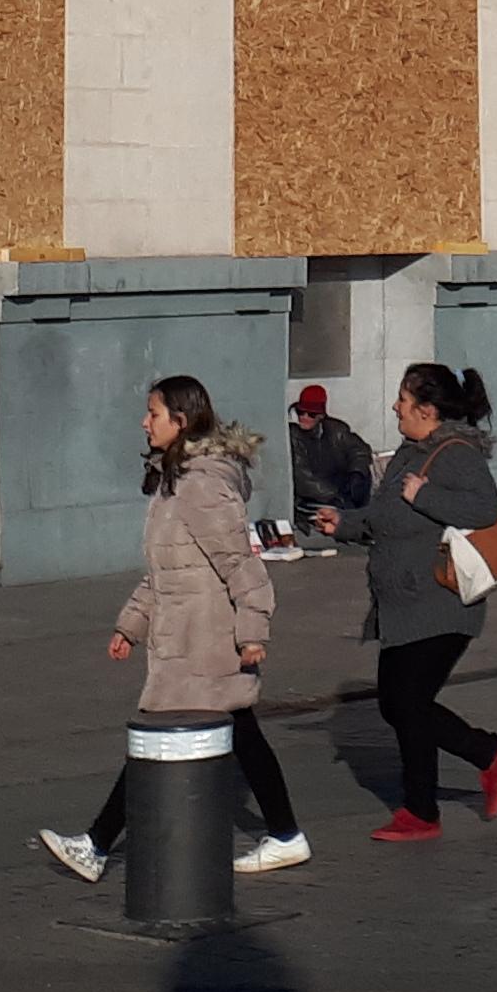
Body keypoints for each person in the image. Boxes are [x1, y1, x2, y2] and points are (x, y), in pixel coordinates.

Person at [42, 377, 309, 882]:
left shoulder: (200, 485)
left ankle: (96, 845)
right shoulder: (177, 480)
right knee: (242, 737)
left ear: (181, 421)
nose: (145, 422)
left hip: (201, 643)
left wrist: (254, 633)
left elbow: (241, 563)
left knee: (157, 742)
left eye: (154, 413)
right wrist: (131, 625)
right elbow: (166, 570)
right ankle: (286, 834)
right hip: (185, 637)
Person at [309, 361, 497, 843]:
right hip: (402, 603)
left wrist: (427, 495)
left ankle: (461, 775)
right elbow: (387, 517)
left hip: (440, 603)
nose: (394, 406)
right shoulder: (410, 450)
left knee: (406, 702)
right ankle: (434, 798)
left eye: (402, 399)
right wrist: (343, 525)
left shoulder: (455, 452)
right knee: (400, 706)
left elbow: (485, 509)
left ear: (426, 409)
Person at [286, 384, 375, 554]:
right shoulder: (294, 436)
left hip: (338, 486)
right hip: (313, 495)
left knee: (362, 478)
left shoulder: (336, 430)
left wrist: (356, 474)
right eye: (300, 412)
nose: (304, 417)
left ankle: (361, 522)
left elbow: (360, 450)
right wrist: (334, 495)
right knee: (337, 507)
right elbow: (302, 478)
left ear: (321, 415)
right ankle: (356, 527)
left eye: (311, 414)